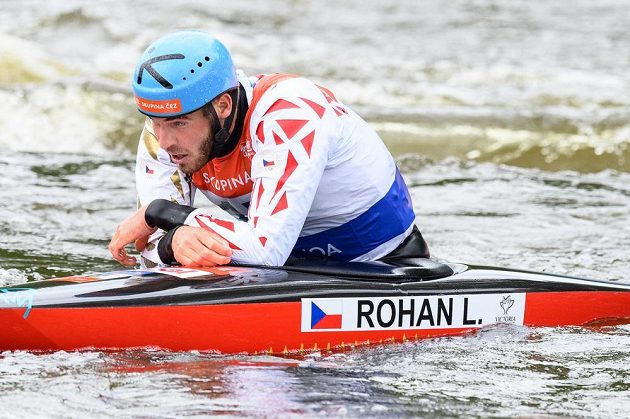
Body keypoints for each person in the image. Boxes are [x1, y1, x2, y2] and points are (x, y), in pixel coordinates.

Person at [109, 30, 429, 268]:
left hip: (384, 263)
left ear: (222, 106)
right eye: (155, 121)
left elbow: (266, 252)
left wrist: (165, 214)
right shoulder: (163, 132)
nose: (164, 142)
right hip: (283, 265)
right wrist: (173, 241)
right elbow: (148, 244)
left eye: (178, 123)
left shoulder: (289, 114)